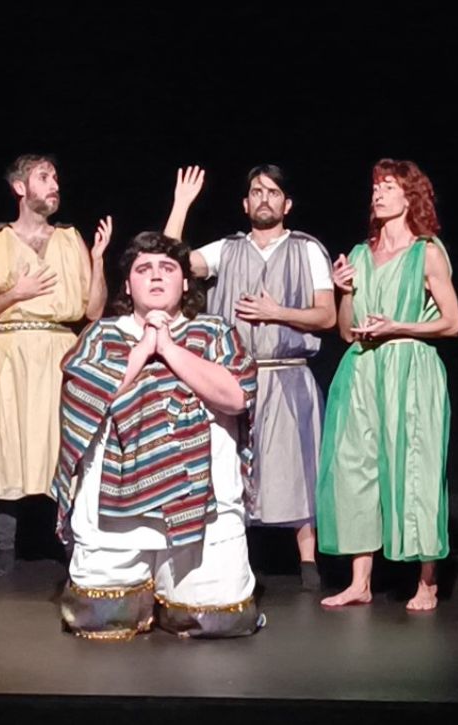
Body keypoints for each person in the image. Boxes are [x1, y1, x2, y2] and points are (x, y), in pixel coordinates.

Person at [53, 231, 264, 639]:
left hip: (200, 504)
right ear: (127, 285)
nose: (155, 275)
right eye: (143, 269)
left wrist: (168, 349)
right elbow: (87, 395)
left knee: (215, 619)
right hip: (114, 504)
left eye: (167, 268)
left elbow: (237, 396)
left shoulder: (213, 332)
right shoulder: (102, 335)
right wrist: (144, 346)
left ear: (185, 283)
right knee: (102, 616)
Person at [0, 154, 109, 575]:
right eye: (44, 177)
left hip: (58, 351)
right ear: (19, 187)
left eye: (56, 178)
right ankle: (5, 547)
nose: (54, 185)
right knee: (6, 446)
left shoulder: (70, 238)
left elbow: (93, 311)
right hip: (8, 352)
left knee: (61, 445)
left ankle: (72, 543)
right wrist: (16, 293)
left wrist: (99, 259)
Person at [164, 164, 336, 589]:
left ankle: (308, 559)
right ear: (245, 203)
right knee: (233, 464)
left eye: (273, 192)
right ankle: (232, 553)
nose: (264, 198)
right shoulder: (227, 249)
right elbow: (168, 263)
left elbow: (327, 316)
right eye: (257, 191)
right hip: (233, 378)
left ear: (286, 204)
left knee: (298, 465)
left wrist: (277, 312)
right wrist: (181, 205)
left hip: (288, 374)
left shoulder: (306, 250)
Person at [316, 159, 458, 611]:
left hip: (410, 368)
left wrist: (399, 325)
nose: (378, 194)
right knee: (355, 468)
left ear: (409, 196)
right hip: (362, 369)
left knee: (414, 467)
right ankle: (360, 582)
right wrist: (344, 291)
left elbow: (452, 322)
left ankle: (427, 582)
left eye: (389, 187)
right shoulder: (360, 254)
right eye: (376, 188)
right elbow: (346, 331)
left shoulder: (427, 252)